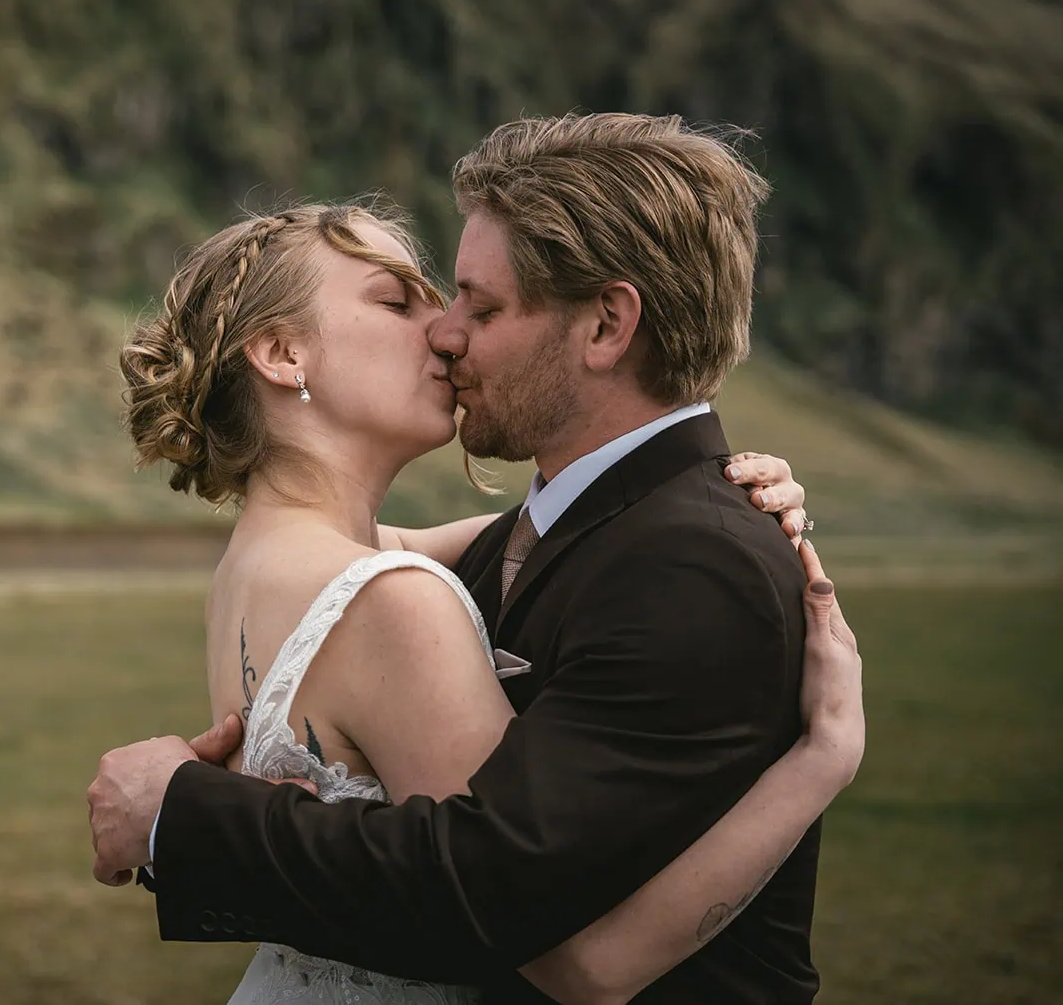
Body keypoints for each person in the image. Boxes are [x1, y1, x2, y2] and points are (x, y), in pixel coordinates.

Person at [89, 114, 864, 1003]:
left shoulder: (692, 562)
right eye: (405, 300)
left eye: (477, 306)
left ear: (608, 324)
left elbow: (503, 903)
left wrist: (179, 819)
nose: (444, 335)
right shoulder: (444, 565)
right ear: (281, 354)